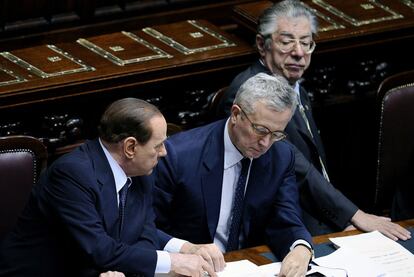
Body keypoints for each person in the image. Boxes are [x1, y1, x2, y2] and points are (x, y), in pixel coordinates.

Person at [216, 0, 411, 240]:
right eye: (287, 42)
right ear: (261, 44)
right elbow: (297, 172)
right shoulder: (252, 97)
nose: (299, 53)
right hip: (282, 225)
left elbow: (316, 168)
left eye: (306, 43)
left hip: (320, 213)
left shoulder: (294, 85)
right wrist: (351, 217)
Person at [0, 98, 224, 277]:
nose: (164, 152)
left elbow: (143, 233)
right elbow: (99, 248)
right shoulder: (72, 175)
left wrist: (139, 267)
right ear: (130, 147)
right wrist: (171, 262)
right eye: (158, 145)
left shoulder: (141, 173)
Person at [153, 73, 314, 277]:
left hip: (250, 266)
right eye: (261, 130)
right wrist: (185, 248)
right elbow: (145, 228)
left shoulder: (281, 156)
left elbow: (286, 218)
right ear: (236, 114)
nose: (266, 143)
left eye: (276, 134)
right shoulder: (179, 156)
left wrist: (300, 248)